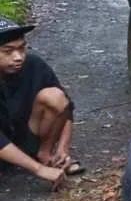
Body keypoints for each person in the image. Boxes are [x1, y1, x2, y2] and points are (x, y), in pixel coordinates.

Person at [0, 16, 82, 186]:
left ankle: (45, 154)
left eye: (22, 49)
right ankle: (32, 163)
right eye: (8, 51)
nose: (18, 57)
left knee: (55, 96)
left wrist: (63, 149)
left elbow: (66, 107)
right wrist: (38, 170)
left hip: (25, 135)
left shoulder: (34, 65)